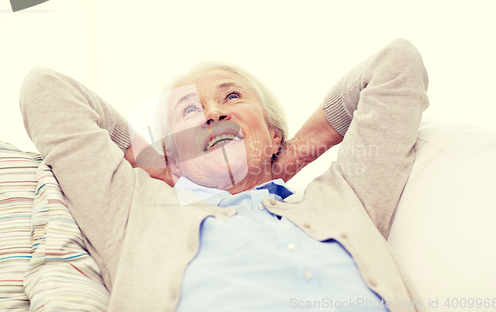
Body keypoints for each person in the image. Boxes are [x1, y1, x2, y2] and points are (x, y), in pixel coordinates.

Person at [20, 38, 429, 311]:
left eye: (231, 96)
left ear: (273, 134)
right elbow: (47, 90)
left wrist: (291, 158)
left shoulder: (345, 198)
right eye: (190, 111)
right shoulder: (134, 211)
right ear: (169, 156)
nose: (214, 113)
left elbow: (397, 64)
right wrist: (160, 168)